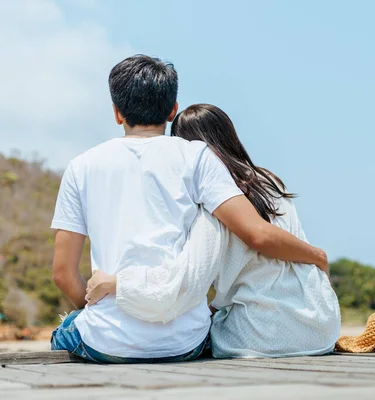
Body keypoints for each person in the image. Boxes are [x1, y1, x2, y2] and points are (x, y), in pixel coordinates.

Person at [51, 55, 328, 364]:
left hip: (106, 341)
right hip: (184, 344)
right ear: (172, 109)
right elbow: (256, 233)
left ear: (117, 112)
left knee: (67, 329)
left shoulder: (81, 166)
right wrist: (317, 256)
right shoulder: (198, 157)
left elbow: (63, 274)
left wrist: (96, 307)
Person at [86, 104, 341, 358]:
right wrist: (318, 256)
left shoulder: (214, 205)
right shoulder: (270, 182)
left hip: (262, 333)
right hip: (321, 325)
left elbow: (186, 279)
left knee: (185, 333)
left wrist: (118, 284)